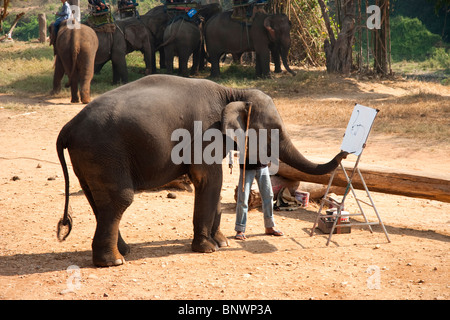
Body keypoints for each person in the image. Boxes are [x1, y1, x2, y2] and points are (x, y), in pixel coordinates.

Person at [234, 157, 284, 240]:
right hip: (246, 168)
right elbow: (235, 145)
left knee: (268, 196)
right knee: (243, 199)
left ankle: (269, 226)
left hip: (263, 166)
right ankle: (240, 229)